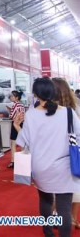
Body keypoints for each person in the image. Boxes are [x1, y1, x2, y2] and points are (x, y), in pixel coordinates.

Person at [15, 77, 80, 237]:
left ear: (36, 94)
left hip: (40, 168)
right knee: (64, 207)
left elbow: (24, 143)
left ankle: (48, 234)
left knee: (45, 201)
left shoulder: (31, 115)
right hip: (65, 167)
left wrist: (17, 126)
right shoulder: (68, 113)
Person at [52, 78, 80, 229]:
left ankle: (58, 214)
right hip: (73, 153)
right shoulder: (74, 108)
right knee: (75, 187)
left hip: (55, 156)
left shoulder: (47, 110)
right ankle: (72, 218)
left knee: (56, 189)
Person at [6, 90, 25, 168]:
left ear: (16, 97)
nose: (11, 97)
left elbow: (11, 116)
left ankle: (13, 162)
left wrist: (9, 110)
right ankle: (23, 160)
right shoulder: (22, 105)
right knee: (22, 143)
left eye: (12, 96)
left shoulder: (15, 105)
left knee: (13, 143)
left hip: (15, 124)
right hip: (22, 124)